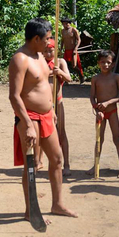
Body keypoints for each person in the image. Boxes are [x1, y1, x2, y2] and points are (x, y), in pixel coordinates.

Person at [10, 18, 77, 224]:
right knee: (33, 166)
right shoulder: (20, 59)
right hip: (30, 118)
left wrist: (51, 109)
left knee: (57, 159)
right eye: (47, 38)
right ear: (36, 38)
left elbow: (44, 84)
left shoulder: (40, 55)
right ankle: (31, 210)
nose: (50, 43)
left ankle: (57, 204)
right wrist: (28, 124)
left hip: (47, 115)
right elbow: (14, 96)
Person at [87, 50, 119, 179]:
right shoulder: (95, 79)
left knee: (117, 138)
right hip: (100, 113)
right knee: (99, 139)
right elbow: (92, 97)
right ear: (98, 63)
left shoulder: (116, 77)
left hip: (112, 112)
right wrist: (97, 109)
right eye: (103, 62)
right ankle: (96, 165)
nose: (105, 65)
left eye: (108, 62)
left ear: (112, 64)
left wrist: (109, 102)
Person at [38, 37, 72, 176]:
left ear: (55, 50)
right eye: (45, 51)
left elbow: (69, 78)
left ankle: (67, 164)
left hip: (57, 101)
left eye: (50, 51)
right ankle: (39, 161)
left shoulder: (60, 61)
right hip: (43, 103)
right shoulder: (39, 62)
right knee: (41, 133)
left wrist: (60, 73)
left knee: (61, 132)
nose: (48, 54)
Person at [61, 17, 84, 82]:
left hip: (73, 50)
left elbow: (79, 39)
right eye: (63, 24)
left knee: (74, 65)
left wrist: (76, 48)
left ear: (69, 24)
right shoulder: (62, 31)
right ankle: (66, 79)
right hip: (66, 50)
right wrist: (61, 48)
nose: (65, 25)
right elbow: (62, 40)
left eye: (66, 24)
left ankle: (81, 76)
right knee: (64, 65)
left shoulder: (73, 30)